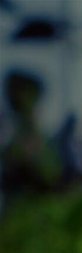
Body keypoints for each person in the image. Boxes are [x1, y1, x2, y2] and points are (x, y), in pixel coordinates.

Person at [0, 70, 60, 202]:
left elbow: (52, 172)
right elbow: (48, 173)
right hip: (23, 203)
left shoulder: (32, 130)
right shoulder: (13, 130)